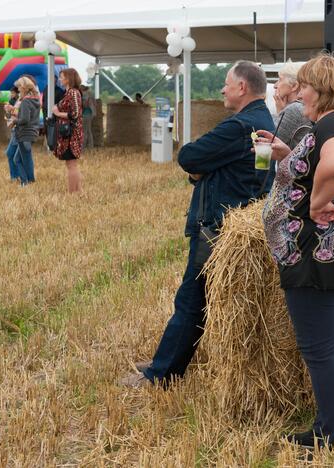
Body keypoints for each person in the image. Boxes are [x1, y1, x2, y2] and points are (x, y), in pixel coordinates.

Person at [121, 61, 275, 388]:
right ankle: (167, 362)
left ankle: (162, 374)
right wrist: (208, 169)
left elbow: (188, 156)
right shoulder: (263, 121)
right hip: (235, 223)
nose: (222, 89)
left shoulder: (239, 126)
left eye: (226, 83)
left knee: (191, 300)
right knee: (198, 299)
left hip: (216, 226)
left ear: (242, 87)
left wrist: (203, 168)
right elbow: (259, 174)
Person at [259, 52, 334, 450]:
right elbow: (323, 165)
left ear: (321, 88)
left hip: (316, 253)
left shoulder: (333, 123)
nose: (299, 92)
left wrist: (314, 202)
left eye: (304, 85)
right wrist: (290, 159)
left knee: (320, 348)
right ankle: (332, 426)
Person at [51, 68, 84, 193]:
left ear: (68, 78)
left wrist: (57, 112)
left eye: (62, 77)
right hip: (68, 133)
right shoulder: (69, 92)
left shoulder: (73, 93)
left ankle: (72, 193)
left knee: (71, 165)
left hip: (71, 134)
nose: (60, 79)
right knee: (71, 164)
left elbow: (75, 114)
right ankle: (79, 191)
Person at [272, 61, 312, 149]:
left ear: (294, 86)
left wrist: (279, 112)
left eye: (280, 79)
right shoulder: (302, 107)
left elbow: (271, 141)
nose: (275, 85)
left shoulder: (295, 109)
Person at [11, 76, 40, 186]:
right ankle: (30, 181)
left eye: (19, 87)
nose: (18, 90)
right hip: (31, 133)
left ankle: (25, 182)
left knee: (18, 159)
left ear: (23, 87)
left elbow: (24, 120)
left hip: (24, 133)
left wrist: (14, 121)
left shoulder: (25, 102)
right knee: (24, 159)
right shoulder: (35, 100)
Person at [4, 87, 20, 181]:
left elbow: (19, 115)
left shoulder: (21, 101)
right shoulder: (11, 101)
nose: (11, 94)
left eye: (13, 93)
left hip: (18, 128)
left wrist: (11, 109)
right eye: (11, 93)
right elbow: (8, 116)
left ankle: (16, 176)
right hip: (14, 128)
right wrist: (7, 112)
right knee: (12, 154)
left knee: (12, 154)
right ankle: (15, 176)